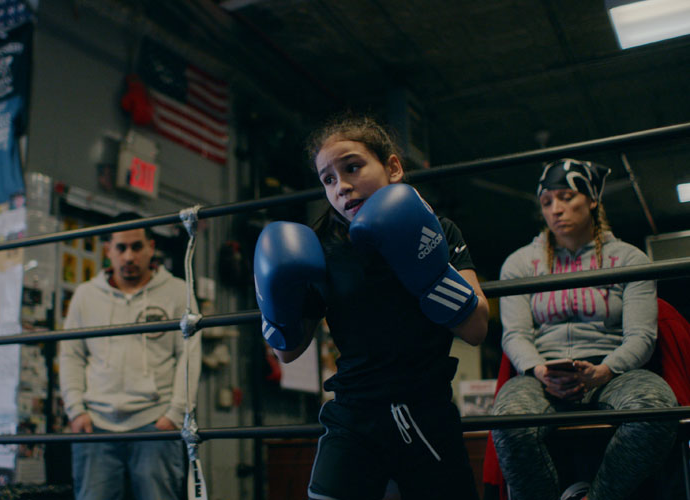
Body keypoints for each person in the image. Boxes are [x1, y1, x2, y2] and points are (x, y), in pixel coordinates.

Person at [253, 114, 489, 500]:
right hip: (353, 413)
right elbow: (287, 351)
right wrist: (276, 300)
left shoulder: (437, 230)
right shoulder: (319, 249)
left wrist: (430, 275)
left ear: (392, 167)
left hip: (424, 407)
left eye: (352, 167)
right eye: (328, 179)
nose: (342, 187)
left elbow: (477, 329)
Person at [491, 158, 678, 500]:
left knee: (657, 409)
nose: (555, 210)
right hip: (544, 374)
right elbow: (515, 335)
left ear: (592, 200)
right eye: (546, 202)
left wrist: (605, 370)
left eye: (566, 197)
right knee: (507, 422)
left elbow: (641, 336)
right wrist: (540, 370)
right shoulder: (519, 263)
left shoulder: (629, 258)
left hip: (611, 371)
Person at [58, 215, 201, 500]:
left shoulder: (177, 292)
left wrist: (175, 414)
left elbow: (190, 354)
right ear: (108, 250)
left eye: (137, 247)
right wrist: (75, 410)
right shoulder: (85, 296)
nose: (129, 256)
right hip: (95, 425)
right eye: (121, 248)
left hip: (155, 423)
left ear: (151, 247)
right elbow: (71, 355)